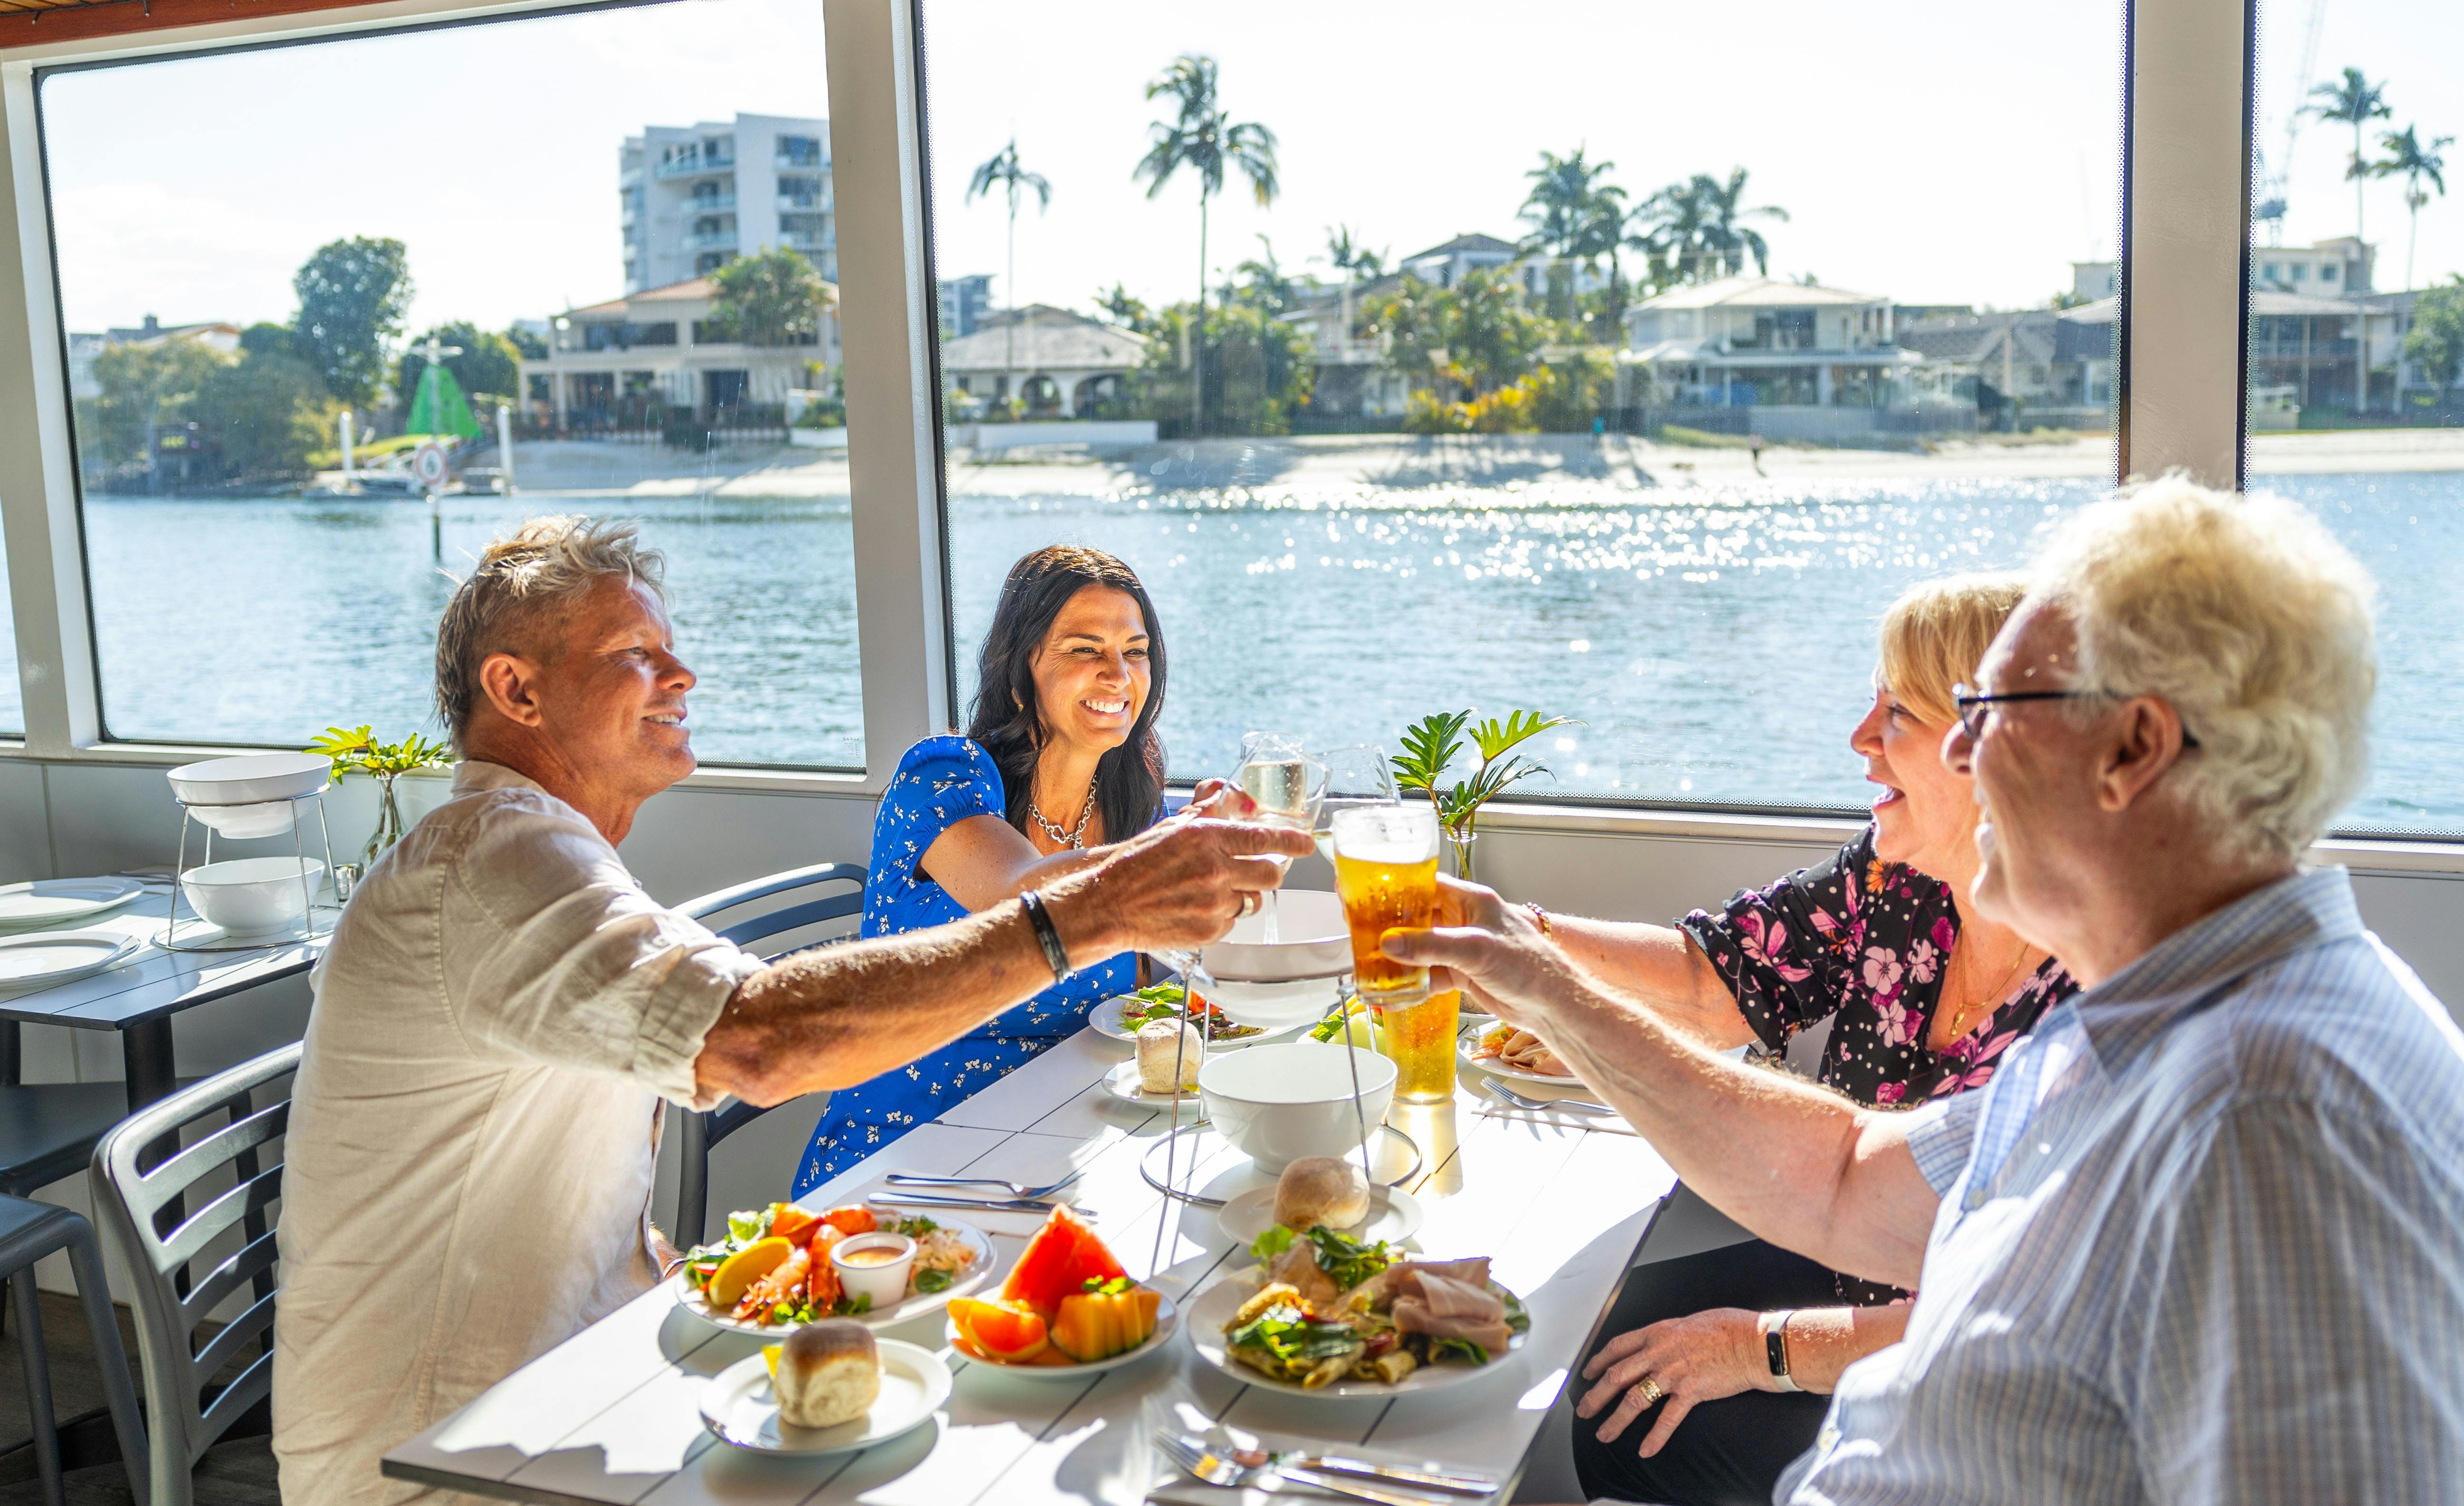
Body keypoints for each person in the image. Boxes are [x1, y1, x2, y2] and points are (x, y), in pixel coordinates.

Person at [1395, 478, 2464, 1504]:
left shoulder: (2274, 1116)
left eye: (1991, 708)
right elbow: (1841, 1181)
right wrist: (1532, 976)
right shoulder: (2137, 1025)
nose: (1956, 745)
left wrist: (1759, 1347)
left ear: (2134, 747)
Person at [271, 518, 1308, 1506]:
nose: (683, 678)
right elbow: (759, 1038)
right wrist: (1093, 910)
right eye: (637, 652)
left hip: (572, 1386)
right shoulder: (491, 860)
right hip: (448, 1456)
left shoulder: (548, 855)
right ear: (517, 689)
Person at [1526, 573, 2075, 1506]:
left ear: (1993, 754)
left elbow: (2014, 1307)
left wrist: (1761, 1345)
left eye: (1895, 712)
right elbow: (1713, 980)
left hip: (1970, 1378)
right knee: (1583, 1331)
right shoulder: (1900, 878)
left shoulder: (2090, 1000)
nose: (1860, 738)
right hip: (1844, 1261)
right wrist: (1520, 939)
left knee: (1623, 1423)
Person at [790, 545, 1170, 1190]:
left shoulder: (1133, 799)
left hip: (1061, 1141)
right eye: (1084, 650)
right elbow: (1018, 900)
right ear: (1020, 671)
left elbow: (1152, 991)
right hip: (908, 1149)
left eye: (1134, 651)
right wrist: (1178, 854)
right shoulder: (942, 775)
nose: (1118, 674)